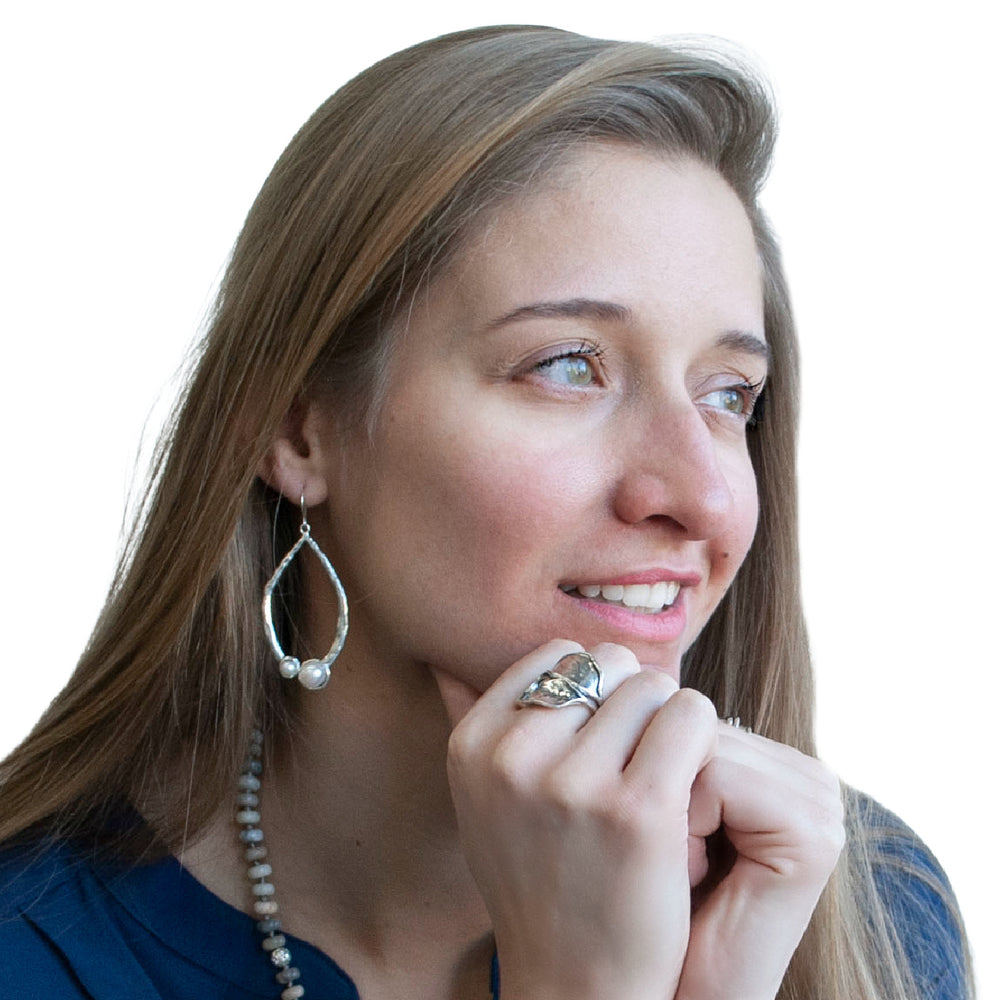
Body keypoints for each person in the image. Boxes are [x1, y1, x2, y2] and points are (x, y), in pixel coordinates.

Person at [0, 24, 972, 1000]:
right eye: (565, 366)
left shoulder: (865, 912)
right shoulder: (30, 950)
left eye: (728, 394)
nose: (700, 496)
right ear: (298, 430)